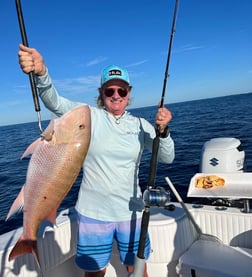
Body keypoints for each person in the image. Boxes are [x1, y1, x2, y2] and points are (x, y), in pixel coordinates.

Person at [18, 44, 175, 277]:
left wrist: (163, 131)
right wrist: (42, 74)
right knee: (94, 272)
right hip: (93, 213)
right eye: (109, 90)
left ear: (129, 93)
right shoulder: (87, 115)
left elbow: (167, 157)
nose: (116, 96)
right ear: (101, 93)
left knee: (138, 268)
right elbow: (55, 103)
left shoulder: (141, 125)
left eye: (121, 91)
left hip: (131, 212)